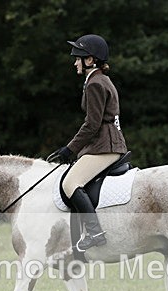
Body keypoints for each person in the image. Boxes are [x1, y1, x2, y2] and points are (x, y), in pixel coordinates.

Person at [48, 34, 127, 251]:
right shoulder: (100, 80)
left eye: (78, 58)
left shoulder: (95, 83)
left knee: (70, 183)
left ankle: (95, 232)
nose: (75, 63)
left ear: (90, 60)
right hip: (106, 143)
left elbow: (92, 125)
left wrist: (69, 149)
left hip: (105, 146)